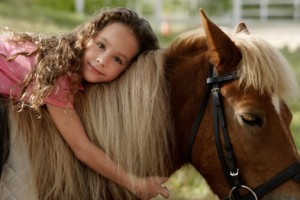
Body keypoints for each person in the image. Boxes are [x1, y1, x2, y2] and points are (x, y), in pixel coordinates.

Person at [0, 7, 169, 199]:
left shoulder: (64, 61)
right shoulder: (59, 74)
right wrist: (135, 184)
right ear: (87, 36)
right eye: (101, 45)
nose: (102, 60)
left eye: (117, 59)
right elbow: (82, 148)